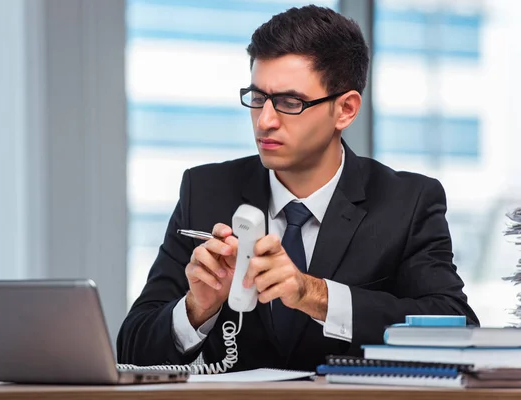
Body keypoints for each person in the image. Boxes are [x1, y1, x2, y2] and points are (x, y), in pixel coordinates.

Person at [117, 5, 479, 372]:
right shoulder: (205, 190)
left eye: (290, 102)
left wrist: (314, 295)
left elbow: (456, 326)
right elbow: (130, 348)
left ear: (346, 110)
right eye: (257, 98)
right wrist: (197, 308)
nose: (266, 121)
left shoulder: (408, 201)